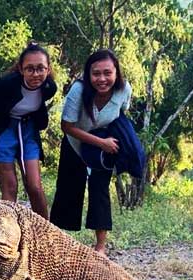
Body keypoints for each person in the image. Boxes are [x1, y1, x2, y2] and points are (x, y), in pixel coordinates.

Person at [50, 49, 132, 255]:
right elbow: (67, 126)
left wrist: (112, 144)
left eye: (108, 73)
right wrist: (99, 142)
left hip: (104, 147)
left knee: (100, 190)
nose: (102, 79)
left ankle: (100, 247)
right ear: (88, 74)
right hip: (75, 142)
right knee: (68, 190)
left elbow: (121, 115)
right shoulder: (78, 90)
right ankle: (60, 245)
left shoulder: (124, 90)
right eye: (96, 73)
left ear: (116, 73)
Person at [0, 43, 57, 219]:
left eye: (41, 68)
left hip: (27, 130)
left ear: (48, 69)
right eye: (30, 69)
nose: (36, 74)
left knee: (34, 185)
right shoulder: (5, 86)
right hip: (2, 129)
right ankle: (7, 233)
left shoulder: (49, 87)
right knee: (10, 185)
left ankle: (45, 231)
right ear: (21, 69)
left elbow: (38, 108)